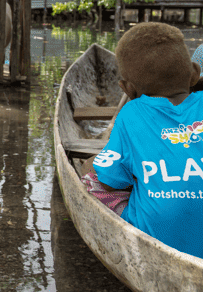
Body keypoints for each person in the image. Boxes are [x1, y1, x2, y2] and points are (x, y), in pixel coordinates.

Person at [85, 22, 203, 259]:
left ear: (127, 89)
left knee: (92, 175)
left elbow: (108, 182)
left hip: (156, 238)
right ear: (194, 74)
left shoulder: (132, 113)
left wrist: (91, 165)